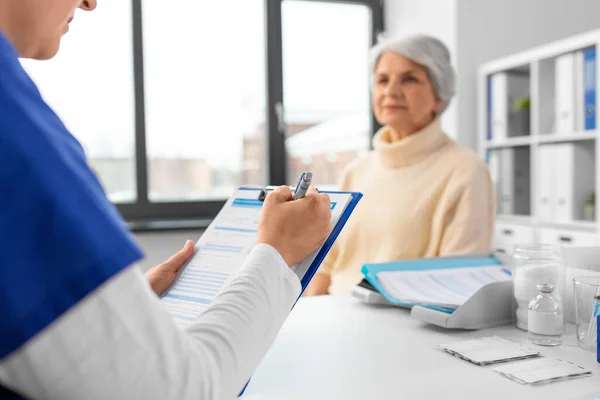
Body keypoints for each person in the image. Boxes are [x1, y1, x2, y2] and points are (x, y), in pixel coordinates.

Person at [0, 1, 332, 399]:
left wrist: (118, 307)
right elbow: (180, 392)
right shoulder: (13, 129)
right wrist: (276, 254)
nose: (90, 2)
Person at [305, 34, 495, 296]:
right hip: (335, 316)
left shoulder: (466, 170)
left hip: (404, 328)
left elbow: (458, 285)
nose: (390, 91)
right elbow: (326, 265)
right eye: (382, 80)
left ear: (439, 95)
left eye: (409, 79)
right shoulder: (357, 171)